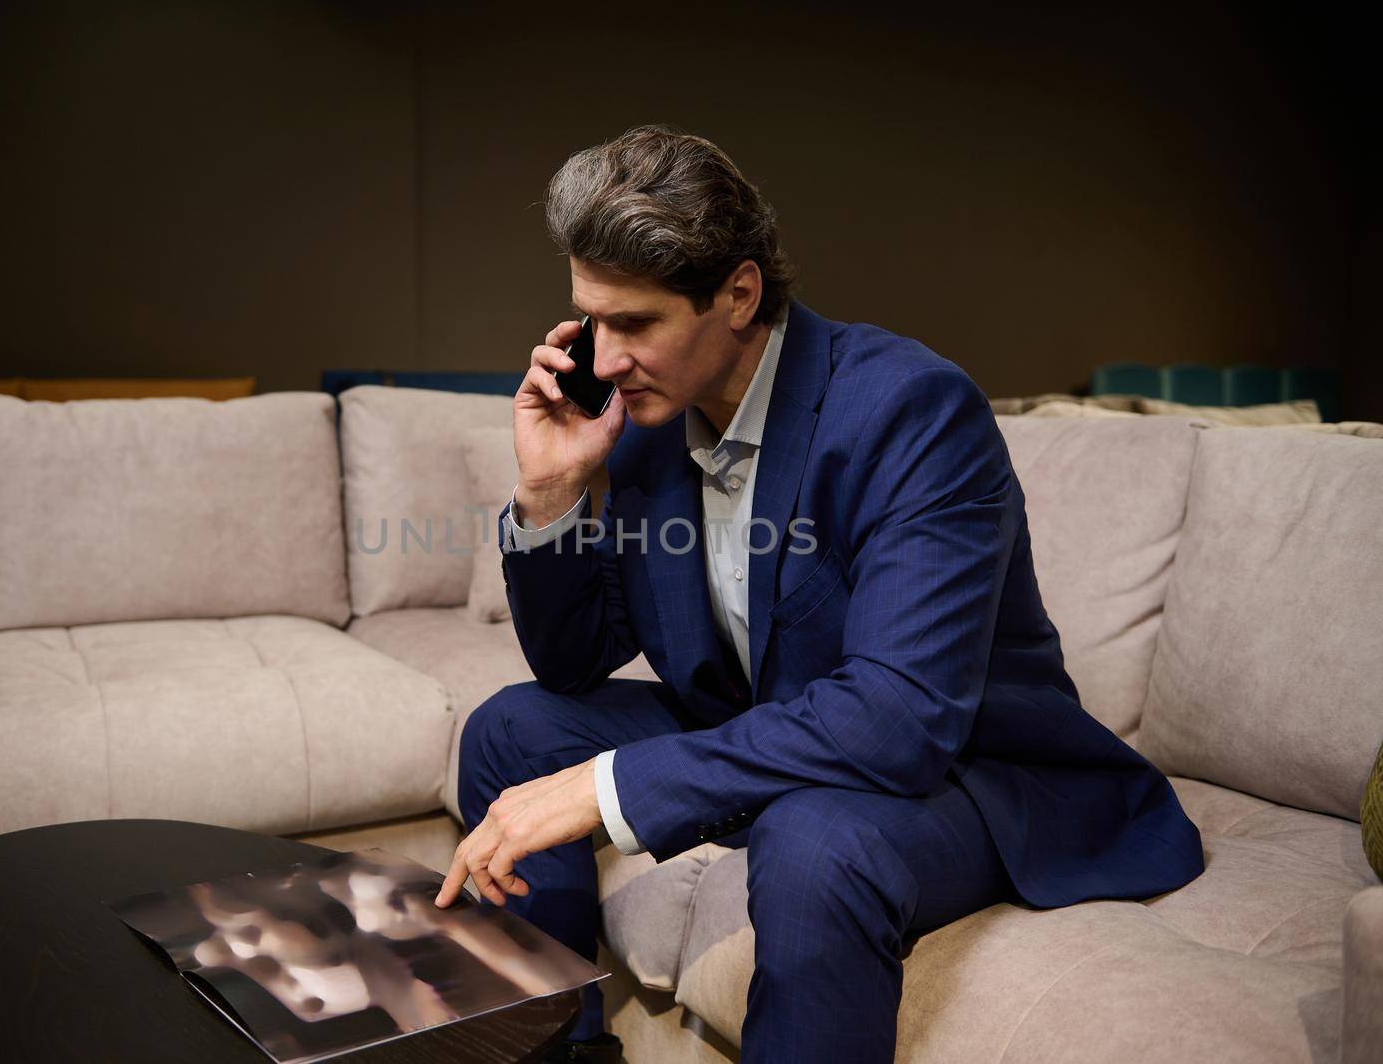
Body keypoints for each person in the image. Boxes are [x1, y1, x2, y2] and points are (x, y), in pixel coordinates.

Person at [433, 124, 1203, 1064]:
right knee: (514, 731)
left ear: (739, 294)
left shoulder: (910, 411)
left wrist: (608, 787)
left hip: (967, 769)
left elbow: (896, 718)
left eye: (636, 324)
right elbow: (568, 661)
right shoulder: (641, 423)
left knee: (815, 839)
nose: (604, 359)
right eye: (593, 321)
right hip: (776, 729)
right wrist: (550, 493)